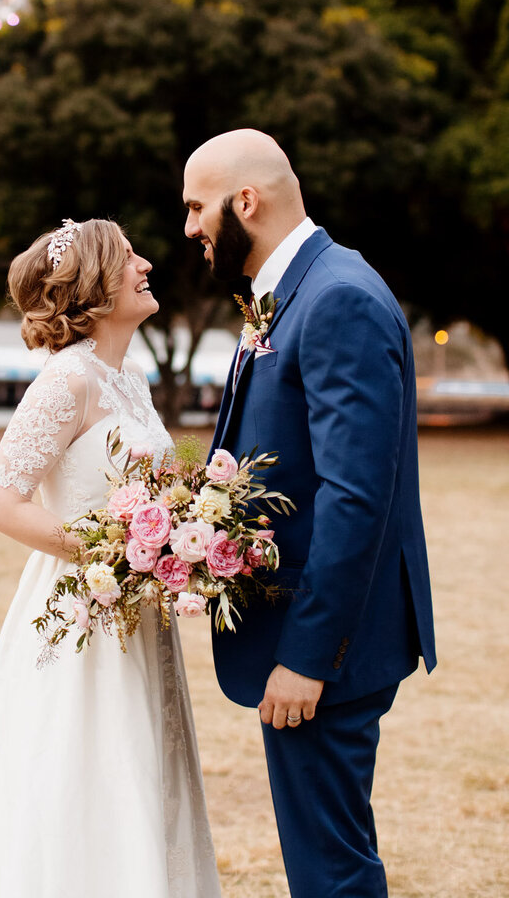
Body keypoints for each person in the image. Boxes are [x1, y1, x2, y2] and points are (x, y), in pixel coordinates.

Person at [0, 218, 221, 898]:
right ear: (97, 288)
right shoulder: (67, 381)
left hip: (137, 612)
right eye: (129, 256)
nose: (145, 263)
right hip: (84, 607)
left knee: (139, 762)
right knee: (78, 766)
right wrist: (114, 554)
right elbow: (1, 501)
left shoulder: (126, 376)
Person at [183, 129, 436, 898]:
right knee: (326, 858)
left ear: (246, 202)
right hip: (309, 635)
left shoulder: (336, 300)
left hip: (327, 648)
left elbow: (357, 499)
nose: (191, 228)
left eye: (198, 207)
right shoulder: (297, 292)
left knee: (331, 873)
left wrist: (306, 658)